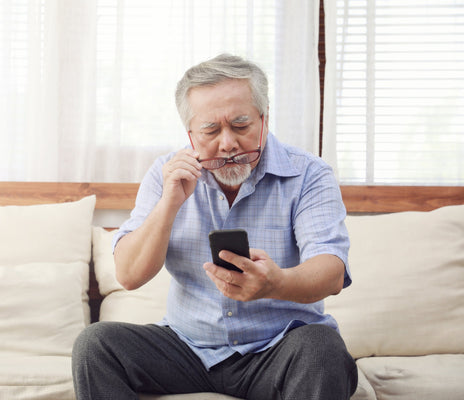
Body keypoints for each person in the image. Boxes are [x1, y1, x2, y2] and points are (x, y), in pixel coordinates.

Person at [72, 54, 357, 400]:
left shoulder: (310, 174)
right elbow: (129, 275)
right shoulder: (166, 174)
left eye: (241, 125)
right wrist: (170, 203)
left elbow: (330, 271)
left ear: (264, 120)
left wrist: (274, 283)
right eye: (210, 130)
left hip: (278, 348)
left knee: (323, 348)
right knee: (96, 345)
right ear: (190, 135)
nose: (227, 143)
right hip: (187, 350)